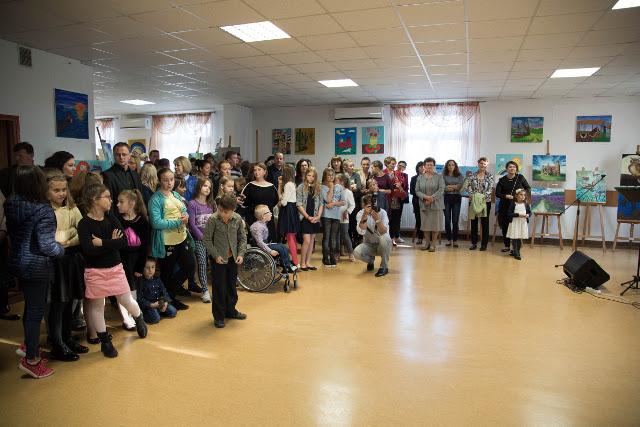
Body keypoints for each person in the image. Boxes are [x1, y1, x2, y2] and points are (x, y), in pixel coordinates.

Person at [6, 166, 64, 378]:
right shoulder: (42, 210)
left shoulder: (12, 203)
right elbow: (47, 245)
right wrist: (62, 249)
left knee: (29, 308)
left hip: (19, 262)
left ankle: (28, 347)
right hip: (37, 266)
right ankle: (32, 360)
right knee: (35, 312)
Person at [78, 183, 148, 358]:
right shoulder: (84, 224)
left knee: (126, 300)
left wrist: (101, 243)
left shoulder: (112, 218)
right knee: (97, 307)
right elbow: (88, 250)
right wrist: (111, 243)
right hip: (95, 271)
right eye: (108, 197)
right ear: (95, 200)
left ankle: (139, 317)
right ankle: (105, 342)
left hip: (115, 268)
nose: (111, 201)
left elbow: (123, 242)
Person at [43, 169, 88, 362]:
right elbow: (53, 238)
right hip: (55, 262)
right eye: (56, 190)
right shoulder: (45, 211)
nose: (61, 193)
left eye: (63, 189)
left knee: (70, 301)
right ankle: (57, 342)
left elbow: (82, 230)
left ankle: (67, 337)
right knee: (58, 304)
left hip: (72, 259)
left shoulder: (72, 207)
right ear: (46, 191)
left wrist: (69, 239)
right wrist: (69, 234)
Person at [148, 168, 195, 310]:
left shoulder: (175, 194)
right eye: (165, 180)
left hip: (181, 237)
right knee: (167, 272)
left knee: (189, 265)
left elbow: (183, 209)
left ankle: (169, 294)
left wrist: (186, 216)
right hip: (167, 242)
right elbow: (156, 223)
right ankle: (169, 299)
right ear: (159, 181)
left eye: (172, 179)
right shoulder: (155, 199)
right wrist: (178, 222)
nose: (169, 183)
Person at [203, 194, 247, 329]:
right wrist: (215, 256)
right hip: (218, 260)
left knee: (231, 287)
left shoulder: (237, 219)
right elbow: (207, 240)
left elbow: (242, 238)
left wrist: (241, 254)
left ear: (233, 210)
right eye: (220, 210)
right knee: (219, 288)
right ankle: (219, 316)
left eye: (226, 212)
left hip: (233, 259)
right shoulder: (213, 219)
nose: (222, 213)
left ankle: (231, 311)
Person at [117, 190, 150, 301]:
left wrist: (140, 267)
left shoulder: (142, 221)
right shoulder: (117, 220)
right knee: (123, 288)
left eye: (121, 202)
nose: (118, 204)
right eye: (118, 201)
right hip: (121, 260)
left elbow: (145, 246)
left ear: (131, 204)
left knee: (135, 287)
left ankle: (136, 307)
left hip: (136, 260)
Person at [187, 178, 216, 304]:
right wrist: (202, 238)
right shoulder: (192, 204)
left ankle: (217, 288)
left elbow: (215, 221)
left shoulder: (211, 204)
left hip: (212, 239)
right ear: (199, 186)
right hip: (199, 240)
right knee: (202, 263)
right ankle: (205, 290)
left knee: (215, 262)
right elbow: (192, 224)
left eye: (209, 187)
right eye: (205, 186)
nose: (207, 189)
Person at [496, 161, 531, 253]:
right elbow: (497, 193)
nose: (512, 168)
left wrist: (521, 194)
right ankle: (507, 246)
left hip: (517, 206)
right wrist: (505, 196)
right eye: (510, 167)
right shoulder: (502, 180)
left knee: (516, 226)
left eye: (514, 167)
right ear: (506, 169)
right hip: (505, 206)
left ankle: (515, 248)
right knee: (505, 226)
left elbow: (528, 188)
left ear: (516, 169)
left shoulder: (520, 177)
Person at [250, 205, 297, 273]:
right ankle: (286, 266)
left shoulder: (262, 224)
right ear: (263, 216)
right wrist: (270, 251)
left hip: (265, 244)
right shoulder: (257, 227)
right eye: (269, 212)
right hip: (261, 247)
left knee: (282, 246)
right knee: (280, 248)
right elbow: (260, 243)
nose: (271, 213)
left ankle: (287, 264)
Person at [354, 194, 392, 277]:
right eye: (369, 205)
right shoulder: (360, 214)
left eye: (374, 203)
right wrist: (365, 214)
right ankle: (370, 260)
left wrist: (377, 220)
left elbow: (384, 231)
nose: (372, 206)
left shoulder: (382, 212)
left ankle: (384, 266)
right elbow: (361, 231)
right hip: (369, 244)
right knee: (356, 252)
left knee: (385, 238)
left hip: (382, 245)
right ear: (363, 205)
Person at [102, 142, 143, 214]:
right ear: (114, 156)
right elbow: (109, 201)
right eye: (118, 155)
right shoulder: (107, 175)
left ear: (129, 156)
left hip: (136, 215)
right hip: (118, 216)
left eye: (124, 154)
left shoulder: (135, 175)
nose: (121, 157)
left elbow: (140, 198)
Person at [241, 162, 279, 241]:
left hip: (268, 221)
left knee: (270, 243)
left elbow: (275, 201)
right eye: (255, 170)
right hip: (254, 220)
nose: (256, 172)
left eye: (259, 169)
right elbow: (243, 203)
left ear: (264, 171)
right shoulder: (249, 186)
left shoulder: (272, 186)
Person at [415, 157, 445, 252]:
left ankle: (433, 244)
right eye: (427, 165)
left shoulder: (439, 176)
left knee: (435, 225)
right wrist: (425, 197)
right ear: (424, 166)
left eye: (431, 165)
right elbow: (417, 190)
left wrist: (431, 198)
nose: (429, 166)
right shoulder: (420, 177)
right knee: (425, 225)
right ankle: (427, 243)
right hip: (424, 204)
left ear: (434, 166)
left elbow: (441, 189)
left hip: (436, 205)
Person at [465, 157, 495, 251]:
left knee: (484, 223)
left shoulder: (490, 176)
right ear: (478, 164)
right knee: (474, 223)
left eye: (484, 164)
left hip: (485, 202)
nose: (482, 165)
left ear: (487, 165)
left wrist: (481, 197)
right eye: (481, 163)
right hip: (473, 201)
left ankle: (484, 244)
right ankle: (474, 243)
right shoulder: (472, 175)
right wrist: (472, 195)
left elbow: (490, 188)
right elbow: (468, 187)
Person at [296, 166, 323, 271]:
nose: (311, 178)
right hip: (305, 217)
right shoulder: (301, 187)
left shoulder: (318, 188)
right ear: (305, 176)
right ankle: (302, 263)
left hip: (315, 217)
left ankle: (308, 262)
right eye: (309, 175)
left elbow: (321, 203)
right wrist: (307, 217)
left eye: (313, 176)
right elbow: (298, 204)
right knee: (306, 240)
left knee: (312, 240)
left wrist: (318, 216)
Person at [137, 258, 177, 324]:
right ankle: (145, 315)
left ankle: (158, 312)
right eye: (147, 268)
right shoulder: (141, 282)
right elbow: (140, 298)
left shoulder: (157, 279)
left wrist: (165, 302)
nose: (150, 270)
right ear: (142, 268)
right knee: (155, 319)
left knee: (173, 312)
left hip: (159, 303)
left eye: (153, 267)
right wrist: (151, 305)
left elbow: (164, 291)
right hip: (149, 306)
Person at [0, 190, 20, 321]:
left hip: (1, 238)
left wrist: (3, 230)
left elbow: (5, 211)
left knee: (2, 277)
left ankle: (3, 309)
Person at [321, 168, 345, 267]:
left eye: (332, 175)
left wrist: (334, 204)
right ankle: (325, 258)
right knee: (327, 237)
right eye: (328, 175)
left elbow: (343, 202)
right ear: (325, 176)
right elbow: (328, 199)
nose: (331, 177)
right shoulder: (322, 187)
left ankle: (332, 257)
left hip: (336, 216)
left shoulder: (339, 187)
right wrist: (331, 187)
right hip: (326, 215)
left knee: (333, 238)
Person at [277, 165, 300, 268]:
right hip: (291, 210)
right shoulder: (291, 184)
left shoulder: (288, 185)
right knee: (292, 237)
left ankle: (295, 262)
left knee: (290, 237)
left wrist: (281, 199)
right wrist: (279, 185)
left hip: (288, 211)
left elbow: (283, 202)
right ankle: (295, 261)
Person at [384, 156, 408, 246]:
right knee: (386, 219)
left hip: (395, 199)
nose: (394, 166)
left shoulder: (396, 173)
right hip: (386, 199)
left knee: (395, 219)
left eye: (395, 164)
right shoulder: (383, 173)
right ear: (387, 164)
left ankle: (393, 238)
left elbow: (402, 186)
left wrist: (399, 186)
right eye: (392, 164)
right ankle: (385, 238)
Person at [442, 159, 465, 247]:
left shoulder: (459, 175)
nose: (451, 166)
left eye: (452, 165)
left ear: (455, 166)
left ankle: (455, 240)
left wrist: (449, 186)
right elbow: (442, 186)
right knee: (447, 220)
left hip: (456, 198)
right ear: (446, 166)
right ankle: (448, 239)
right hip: (446, 198)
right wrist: (452, 187)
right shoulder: (443, 175)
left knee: (455, 220)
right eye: (449, 165)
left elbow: (460, 186)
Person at [335, 174, 356, 262]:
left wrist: (347, 211)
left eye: (336, 180)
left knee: (345, 235)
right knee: (336, 236)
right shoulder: (334, 191)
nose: (335, 182)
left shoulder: (348, 192)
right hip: (335, 217)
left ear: (342, 182)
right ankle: (337, 253)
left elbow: (352, 205)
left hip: (344, 218)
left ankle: (351, 253)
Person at [506, 189, 531, 261]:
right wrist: (518, 214)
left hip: (522, 223)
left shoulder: (526, 204)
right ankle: (516, 252)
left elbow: (529, 212)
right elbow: (509, 214)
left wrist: (528, 215)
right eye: (521, 194)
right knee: (515, 237)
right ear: (516, 196)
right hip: (515, 222)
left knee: (519, 237)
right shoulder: (513, 204)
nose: (523, 196)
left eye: (524, 195)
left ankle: (517, 251)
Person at [410, 161, 425, 245]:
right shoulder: (413, 178)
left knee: (427, 220)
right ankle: (420, 238)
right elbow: (412, 191)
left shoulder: (429, 177)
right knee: (419, 220)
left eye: (423, 166)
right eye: (420, 167)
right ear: (417, 168)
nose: (422, 168)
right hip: (417, 202)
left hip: (427, 202)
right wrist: (422, 195)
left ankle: (429, 239)